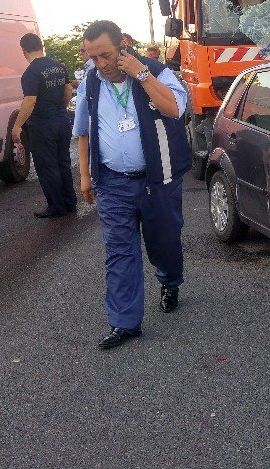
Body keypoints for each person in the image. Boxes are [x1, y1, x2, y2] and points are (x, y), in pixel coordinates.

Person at [73, 20, 192, 350]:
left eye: (106, 55)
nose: (101, 64)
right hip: (113, 183)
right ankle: (124, 322)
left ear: (122, 46)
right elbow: (83, 130)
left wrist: (142, 75)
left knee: (164, 242)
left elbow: (174, 108)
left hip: (158, 181)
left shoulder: (154, 70)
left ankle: (170, 282)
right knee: (119, 251)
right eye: (93, 57)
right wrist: (85, 176)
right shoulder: (91, 82)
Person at [14, 33, 77, 218]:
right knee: (63, 163)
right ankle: (70, 203)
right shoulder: (58, 66)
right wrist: (60, 109)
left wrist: (17, 125)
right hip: (61, 120)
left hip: (43, 125)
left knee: (47, 166)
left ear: (23, 50)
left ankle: (56, 206)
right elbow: (67, 90)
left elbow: (30, 101)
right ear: (41, 46)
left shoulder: (31, 72)